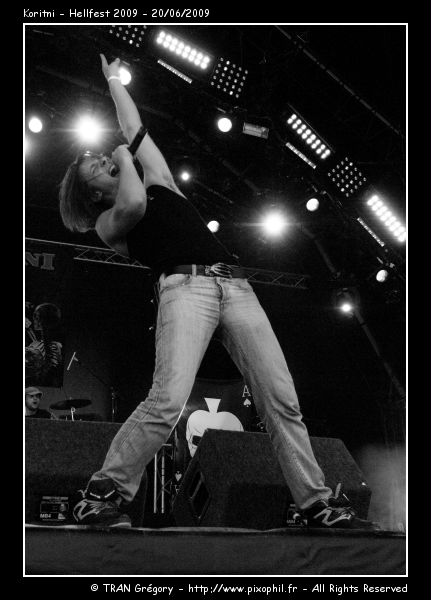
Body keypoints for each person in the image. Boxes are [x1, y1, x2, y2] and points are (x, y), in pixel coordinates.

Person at [58, 54, 373, 530]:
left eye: (102, 158)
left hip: (236, 286)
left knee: (281, 400)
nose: (106, 160)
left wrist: (114, 81)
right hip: (184, 288)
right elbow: (134, 197)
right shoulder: (108, 222)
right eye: (96, 169)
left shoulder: (161, 181)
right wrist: (122, 155)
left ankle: (314, 503)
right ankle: (101, 494)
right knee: (167, 400)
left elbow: (134, 128)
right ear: (95, 195)